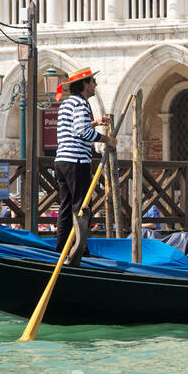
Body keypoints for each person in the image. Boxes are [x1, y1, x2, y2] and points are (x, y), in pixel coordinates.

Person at [54, 66, 114, 252]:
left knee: (65, 207)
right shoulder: (80, 104)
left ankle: (62, 248)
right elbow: (82, 132)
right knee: (81, 207)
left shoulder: (67, 103)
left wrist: (96, 122)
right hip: (76, 162)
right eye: (93, 81)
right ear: (85, 84)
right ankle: (81, 251)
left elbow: (75, 127)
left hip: (62, 161)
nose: (95, 85)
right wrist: (107, 140)